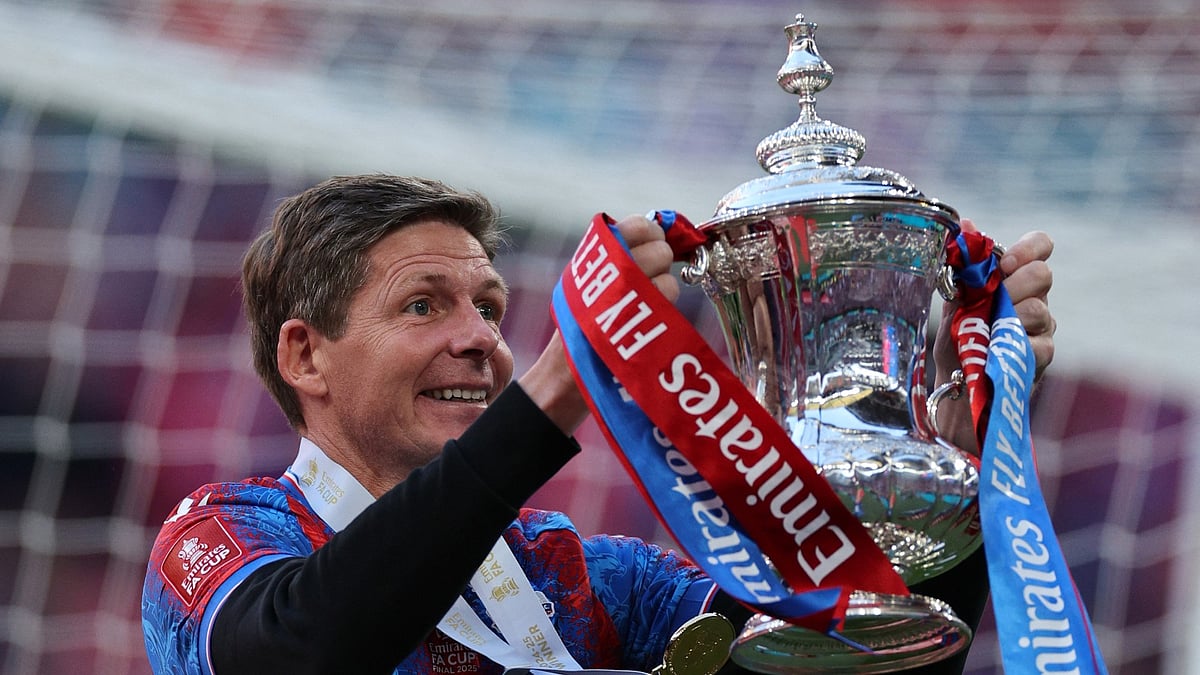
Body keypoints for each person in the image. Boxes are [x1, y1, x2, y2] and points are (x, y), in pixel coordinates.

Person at [140, 174, 1057, 674]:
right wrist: (557, 390)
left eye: (491, 308)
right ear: (306, 357)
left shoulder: (578, 570)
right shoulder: (220, 537)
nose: (480, 341)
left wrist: (949, 466)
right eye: (424, 306)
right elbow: (304, 655)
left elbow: (858, 666)